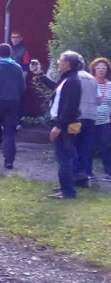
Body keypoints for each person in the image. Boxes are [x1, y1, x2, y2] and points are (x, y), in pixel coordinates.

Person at [33, 52, 83, 199]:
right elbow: (55, 88)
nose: (58, 63)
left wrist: (59, 126)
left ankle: (68, 192)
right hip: (62, 123)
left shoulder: (73, 81)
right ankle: (65, 187)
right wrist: (40, 75)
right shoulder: (67, 79)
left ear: (68, 63)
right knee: (63, 157)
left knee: (64, 159)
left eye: (61, 61)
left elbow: (70, 107)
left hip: (66, 125)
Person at [0, 44, 25, 169]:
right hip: (13, 103)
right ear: (10, 53)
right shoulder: (17, 68)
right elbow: (22, 87)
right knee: (9, 132)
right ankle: (9, 160)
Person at [75, 62, 99, 185]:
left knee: (73, 146)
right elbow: (98, 99)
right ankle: (87, 174)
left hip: (78, 116)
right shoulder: (92, 78)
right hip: (91, 116)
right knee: (86, 146)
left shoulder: (73, 77)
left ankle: (78, 175)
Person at [91, 57, 111, 182]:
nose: (101, 70)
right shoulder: (89, 83)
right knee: (88, 147)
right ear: (94, 69)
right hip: (90, 121)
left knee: (106, 146)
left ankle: (109, 173)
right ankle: (88, 172)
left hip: (105, 122)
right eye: (98, 68)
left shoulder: (110, 85)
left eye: (104, 68)